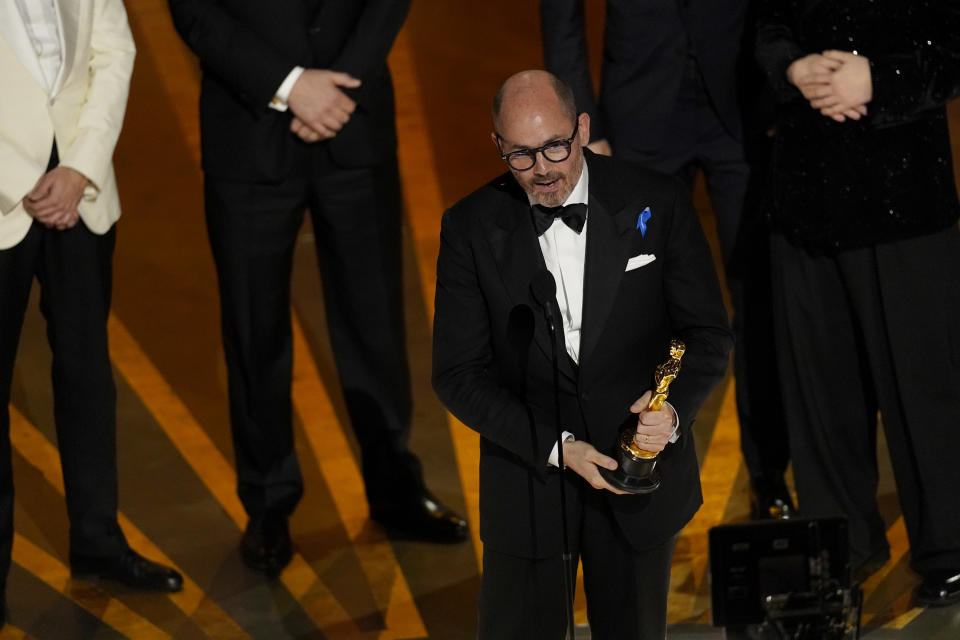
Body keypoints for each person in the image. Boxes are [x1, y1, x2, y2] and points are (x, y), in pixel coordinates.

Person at [166, 0, 467, 575]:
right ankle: (269, 504)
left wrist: (337, 88)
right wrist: (289, 86)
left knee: (374, 320)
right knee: (255, 330)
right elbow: (194, 9)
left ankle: (394, 488)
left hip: (355, 120)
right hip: (248, 126)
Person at [432, 70, 732, 639]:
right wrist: (557, 449)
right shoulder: (470, 227)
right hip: (528, 481)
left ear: (583, 129)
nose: (542, 169)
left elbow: (708, 334)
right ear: (498, 146)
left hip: (635, 481)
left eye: (555, 147)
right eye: (521, 154)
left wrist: (670, 416)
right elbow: (457, 374)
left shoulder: (657, 199)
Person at [541, 0, 795, 519]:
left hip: (742, 108)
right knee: (636, 307)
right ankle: (637, 464)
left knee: (760, 302)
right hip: (637, 114)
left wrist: (782, 87)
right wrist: (580, 118)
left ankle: (768, 475)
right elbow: (561, 11)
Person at [755, 0, 960, 604]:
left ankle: (948, 547)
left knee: (923, 385)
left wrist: (878, 79)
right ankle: (839, 545)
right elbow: (768, 26)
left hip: (905, 195)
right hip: (805, 194)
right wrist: (794, 69)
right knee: (821, 389)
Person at [0, 0, 183, 628]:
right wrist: (16, 179)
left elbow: (114, 52)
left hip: (81, 189)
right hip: (3, 198)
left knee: (87, 372)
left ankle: (98, 544)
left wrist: (79, 165)